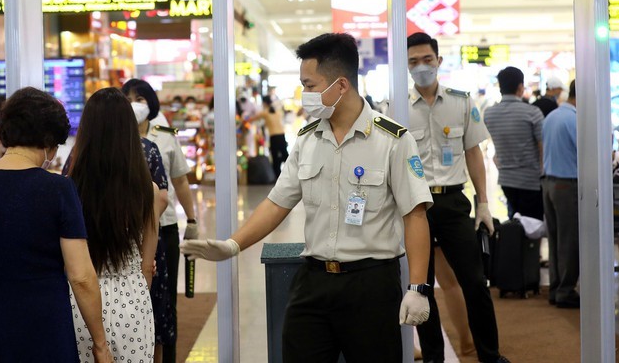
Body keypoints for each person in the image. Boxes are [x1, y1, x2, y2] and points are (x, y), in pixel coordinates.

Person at [182, 33, 433, 362]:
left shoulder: (392, 140)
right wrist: (233, 245)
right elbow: (277, 203)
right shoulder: (307, 140)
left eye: (310, 85)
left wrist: (417, 289)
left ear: (340, 86)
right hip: (313, 281)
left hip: (370, 285)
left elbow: (415, 215)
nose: (305, 95)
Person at [0, 87, 114, 363]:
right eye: (56, 146)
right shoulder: (58, 190)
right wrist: (100, 344)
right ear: (48, 140)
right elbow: (81, 277)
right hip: (44, 326)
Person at [405, 32, 507, 363]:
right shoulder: (396, 107)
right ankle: (434, 357)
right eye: (413, 62)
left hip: (452, 203)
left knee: (475, 283)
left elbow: (474, 154)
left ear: (438, 61)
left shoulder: (462, 102)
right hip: (414, 206)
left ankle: (489, 355)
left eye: (427, 60)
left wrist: (484, 203)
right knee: (423, 287)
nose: (421, 67)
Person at [67, 87, 167, 362]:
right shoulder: (148, 190)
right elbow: (148, 264)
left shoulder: (70, 189)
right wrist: (137, 286)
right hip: (132, 300)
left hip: (79, 302)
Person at [124, 78, 199, 363]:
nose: (135, 105)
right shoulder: (117, 136)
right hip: (127, 232)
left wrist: (191, 219)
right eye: (129, 98)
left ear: (151, 103)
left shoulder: (165, 136)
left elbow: (180, 180)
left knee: (165, 300)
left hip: (164, 228)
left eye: (140, 99)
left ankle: (168, 357)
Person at [483, 66, 544, 220]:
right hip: (531, 180)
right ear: (520, 87)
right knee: (532, 226)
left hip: (506, 179)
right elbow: (543, 147)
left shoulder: (490, 114)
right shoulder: (532, 112)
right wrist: (543, 175)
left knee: (514, 221)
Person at [542, 80, 580, 309]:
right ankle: (565, 291)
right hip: (567, 185)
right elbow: (586, 150)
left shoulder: (552, 116)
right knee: (569, 239)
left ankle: (556, 288)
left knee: (555, 238)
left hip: (549, 183)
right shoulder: (574, 119)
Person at [249, 95, 289, 177]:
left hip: (274, 137)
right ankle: (292, 174)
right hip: (281, 135)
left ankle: (277, 177)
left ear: (264, 103)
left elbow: (252, 119)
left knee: (275, 157)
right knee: (285, 156)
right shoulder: (277, 111)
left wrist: (244, 119)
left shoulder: (265, 112)